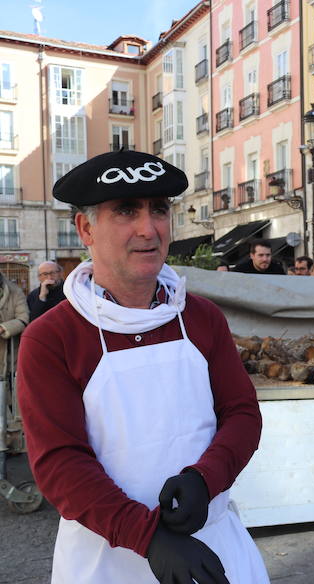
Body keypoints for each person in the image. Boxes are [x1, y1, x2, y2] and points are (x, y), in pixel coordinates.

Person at [16, 150, 268, 584]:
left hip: (210, 543)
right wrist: (148, 537)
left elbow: (242, 413)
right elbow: (59, 461)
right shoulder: (52, 337)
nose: (148, 229)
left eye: (159, 210)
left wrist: (205, 480)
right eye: (126, 211)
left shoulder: (201, 317)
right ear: (85, 229)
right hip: (105, 557)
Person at [0, 273, 28, 378]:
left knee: (6, 390)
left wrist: (3, 328)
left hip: (9, 355)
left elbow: (23, 318)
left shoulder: (15, 291)